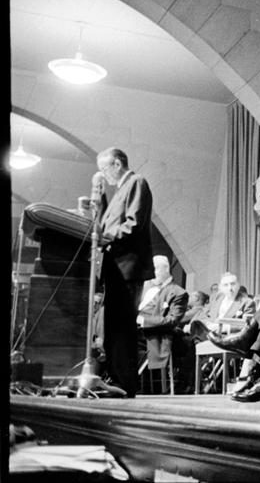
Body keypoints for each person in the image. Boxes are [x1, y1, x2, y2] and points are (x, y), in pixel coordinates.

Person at [77, 149, 171, 398]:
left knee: (122, 327)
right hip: (116, 268)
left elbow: (134, 223)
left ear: (117, 164)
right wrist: (98, 202)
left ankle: (124, 384)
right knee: (113, 328)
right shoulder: (119, 191)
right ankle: (116, 379)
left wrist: (106, 237)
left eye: (105, 169)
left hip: (128, 267)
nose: (103, 175)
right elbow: (106, 226)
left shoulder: (137, 182)